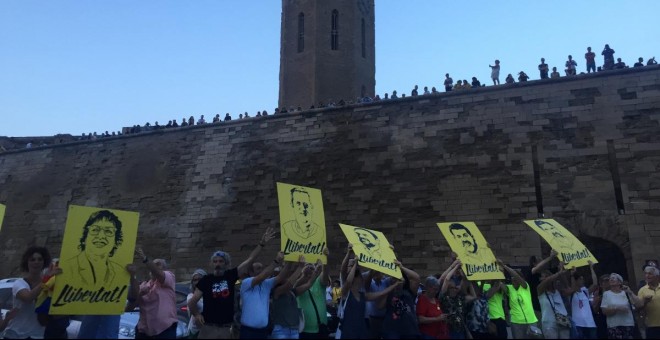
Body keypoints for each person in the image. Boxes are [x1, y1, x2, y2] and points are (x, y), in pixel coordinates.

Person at [188, 227, 277, 339]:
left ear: (226, 263)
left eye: (221, 261)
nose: (218, 264)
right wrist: (196, 314)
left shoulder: (230, 276)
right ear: (212, 264)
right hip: (208, 328)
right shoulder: (206, 280)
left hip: (226, 329)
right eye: (215, 262)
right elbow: (192, 301)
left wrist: (261, 244)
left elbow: (250, 259)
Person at [60, 210, 126, 290]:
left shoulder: (120, 271)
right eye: (95, 230)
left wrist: (132, 276)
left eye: (108, 231)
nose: (101, 236)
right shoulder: (67, 267)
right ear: (85, 237)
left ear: (115, 241)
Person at [127, 249, 179, 339]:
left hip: (165, 331)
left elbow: (158, 273)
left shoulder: (169, 277)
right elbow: (132, 303)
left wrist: (145, 259)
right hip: (144, 332)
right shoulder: (144, 285)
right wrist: (132, 275)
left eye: (158, 264)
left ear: (164, 269)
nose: (154, 266)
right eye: (153, 264)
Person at [3, 246, 52, 339]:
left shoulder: (49, 285)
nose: (36, 262)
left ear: (44, 262)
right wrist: (46, 280)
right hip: (14, 334)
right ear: (27, 263)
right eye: (32, 259)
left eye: (39, 259)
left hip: (36, 335)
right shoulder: (19, 283)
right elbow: (28, 298)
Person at [239, 251, 287, 339]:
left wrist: (290, 262)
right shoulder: (246, 283)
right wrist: (277, 260)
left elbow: (281, 277)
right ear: (251, 272)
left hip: (263, 332)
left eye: (262, 268)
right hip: (248, 332)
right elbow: (263, 275)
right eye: (258, 268)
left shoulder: (266, 284)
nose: (261, 271)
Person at [380, 259, 421, 339]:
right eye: (393, 279)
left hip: (410, 330)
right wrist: (389, 289)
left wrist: (401, 267)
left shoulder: (409, 291)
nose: (396, 281)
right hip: (392, 330)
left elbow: (417, 278)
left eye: (398, 279)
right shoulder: (388, 291)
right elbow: (380, 306)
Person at [499, 259, 540, 339]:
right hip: (516, 322)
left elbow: (516, 276)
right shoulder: (509, 288)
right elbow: (499, 283)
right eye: (511, 277)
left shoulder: (525, 286)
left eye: (515, 277)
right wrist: (500, 272)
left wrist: (504, 266)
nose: (513, 278)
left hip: (531, 321)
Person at [440, 261, 476, 339]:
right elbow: (446, 279)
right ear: (448, 289)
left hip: (461, 331)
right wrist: (455, 266)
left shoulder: (460, 298)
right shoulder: (444, 297)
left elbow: (474, 297)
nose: (454, 289)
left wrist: (468, 281)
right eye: (451, 288)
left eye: (455, 287)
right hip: (448, 330)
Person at [600, 273, 640, 339]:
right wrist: (617, 308)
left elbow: (638, 304)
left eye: (614, 278)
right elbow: (604, 311)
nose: (611, 279)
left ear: (619, 282)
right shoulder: (606, 294)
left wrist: (630, 292)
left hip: (628, 324)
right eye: (610, 278)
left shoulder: (626, 293)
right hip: (613, 325)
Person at [537, 265, 571, 339]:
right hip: (549, 323)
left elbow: (567, 288)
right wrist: (558, 273)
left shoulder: (557, 290)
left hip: (563, 321)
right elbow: (546, 282)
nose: (542, 279)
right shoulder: (540, 291)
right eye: (542, 277)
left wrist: (561, 272)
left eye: (545, 276)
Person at [570, 261, 598, 339]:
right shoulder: (572, 293)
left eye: (582, 279)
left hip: (590, 324)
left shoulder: (585, 292)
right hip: (578, 324)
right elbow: (573, 288)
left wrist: (591, 268)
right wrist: (573, 274)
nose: (582, 280)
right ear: (576, 280)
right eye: (580, 279)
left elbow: (595, 284)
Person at [638, 265, 660, 339]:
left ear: (657, 276)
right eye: (645, 273)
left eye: (650, 273)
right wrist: (645, 301)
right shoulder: (642, 290)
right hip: (651, 325)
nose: (647, 275)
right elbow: (638, 308)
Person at [187, 269, 207, 339]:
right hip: (195, 332)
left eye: (200, 279)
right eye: (195, 280)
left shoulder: (211, 296)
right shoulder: (191, 296)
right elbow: (191, 304)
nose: (197, 282)